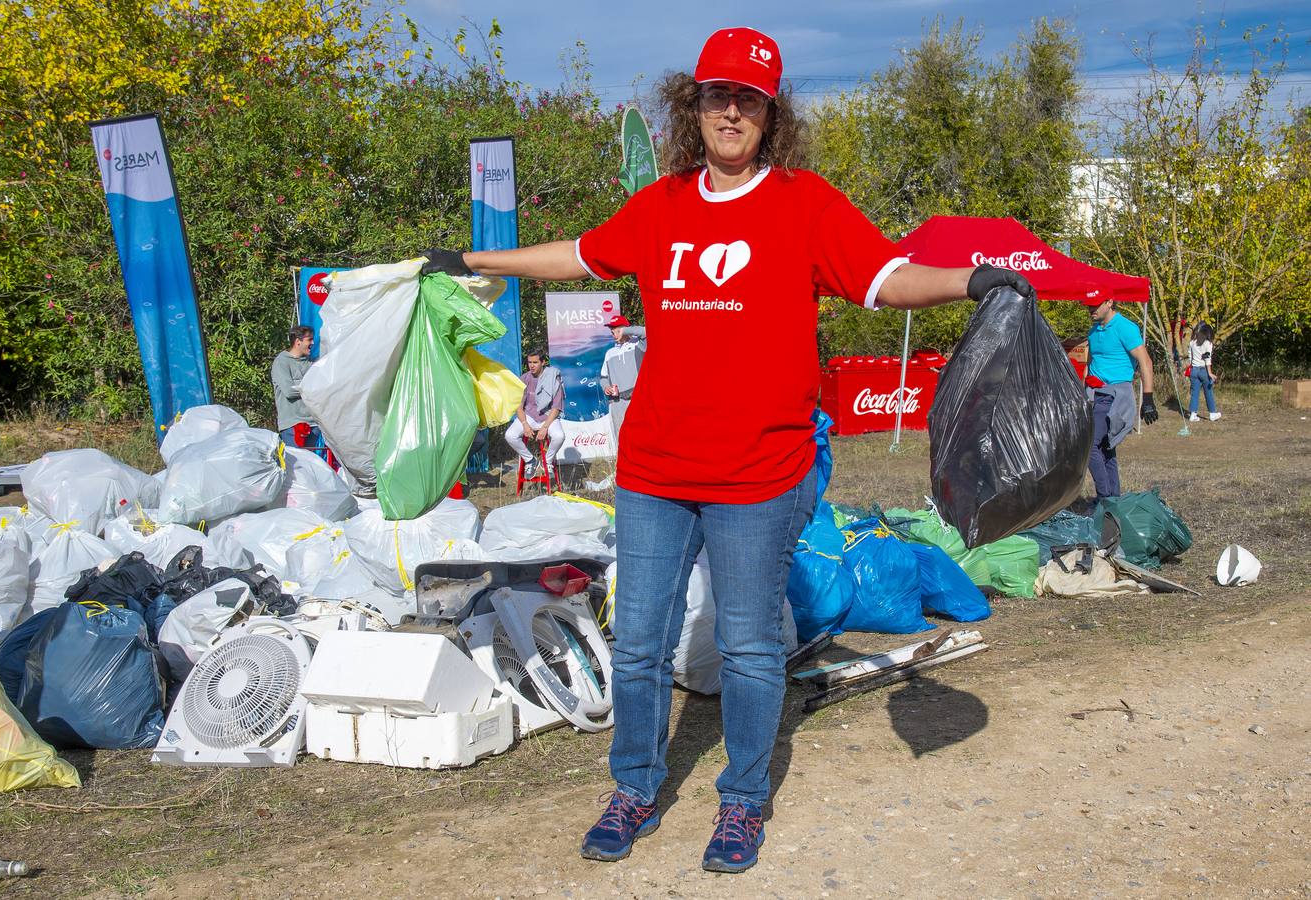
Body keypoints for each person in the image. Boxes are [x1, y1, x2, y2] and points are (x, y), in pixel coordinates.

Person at [420, 25, 1030, 874]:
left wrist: (974, 279)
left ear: (769, 113)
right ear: (693, 104)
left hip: (758, 475)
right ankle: (634, 785)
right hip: (657, 473)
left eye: (748, 98)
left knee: (747, 647)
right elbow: (581, 255)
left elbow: (885, 277)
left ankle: (742, 802)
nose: (731, 111)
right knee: (636, 644)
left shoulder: (806, 204)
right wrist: (475, 258)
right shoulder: (661, 207)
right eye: (717, 95)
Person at [1084, 298, 1157, 500]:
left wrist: (1148, 399)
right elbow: (1090, 364)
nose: (1091, 309)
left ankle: (1105, 499)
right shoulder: (1094, 331)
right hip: (1094, 394)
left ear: (1109, 302)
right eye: (1089, 305)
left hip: (1114, 395)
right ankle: (1113, 500)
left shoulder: (1125, 328)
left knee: (1090, 446)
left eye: (1095, 305)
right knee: (1106, 449)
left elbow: (1146, 362)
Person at [504, 349, 565, 478]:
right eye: (529, 362)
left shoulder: (554, 377)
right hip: (530, 416)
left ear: (543, 362)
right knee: (510, 435)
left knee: (559, 436)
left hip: (548, 416)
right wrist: (525, 424)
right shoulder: (524, 378)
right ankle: (530, 460)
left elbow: (556, 407)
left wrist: (545, 427)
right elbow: (518, 406)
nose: (531, 365)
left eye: (535, 362)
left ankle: (547, 462)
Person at [599, 314, 647, 437]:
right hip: (617, 403)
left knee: (641, 436)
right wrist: (606, 387)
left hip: (637, 400)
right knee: (621, 439)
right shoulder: (609, 353)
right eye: (612, 330)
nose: (613, 332)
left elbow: (645, 332)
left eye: (617, 329)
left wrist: (625, 331)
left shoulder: (638, 345)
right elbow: (603, 378)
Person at [271, 325, 317, 449]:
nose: (313, 343)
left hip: (314, 424)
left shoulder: (311, 363)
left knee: (314, 466)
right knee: (298, 466)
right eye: (309, 339)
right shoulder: (281, 362)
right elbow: (289, 391)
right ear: (298, 341)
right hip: (294, 425)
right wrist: (312, 387)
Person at [1187, 321, 1221, 422]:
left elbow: (1190, 355)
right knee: (1208, 392)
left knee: (1194, 393)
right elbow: (1207, 359)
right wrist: (1210, 373)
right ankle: (1212, 413)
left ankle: (1193, 415)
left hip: (1194, 370)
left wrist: (1192, 365)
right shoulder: (1208, 343)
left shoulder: (1192, 342)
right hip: (1203, 371)